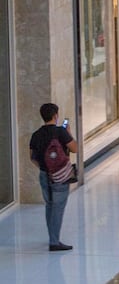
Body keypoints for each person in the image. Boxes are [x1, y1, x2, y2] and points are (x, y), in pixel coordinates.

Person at [29, 103, 78, 251]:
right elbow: (75, 149)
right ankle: (54, 242)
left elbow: (32, 157)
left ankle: (52, 237)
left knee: (49, 205)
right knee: (58, 207)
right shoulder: (61, 132)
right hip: (61, 176)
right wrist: (68, 133)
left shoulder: (36, 135)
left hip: (44, 174)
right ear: (55, 116)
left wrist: (45, 168)